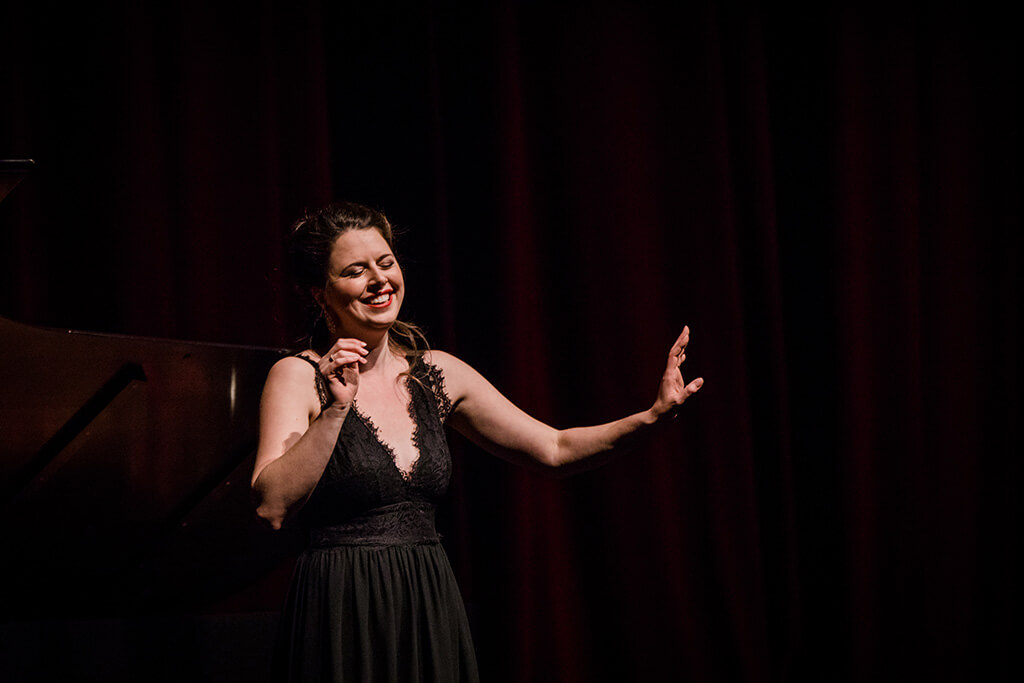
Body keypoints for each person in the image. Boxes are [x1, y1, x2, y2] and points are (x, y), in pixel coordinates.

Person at [251, 201, 704, 682]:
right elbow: (271, 506)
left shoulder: (436, 373)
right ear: (320, 294)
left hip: (427, 599)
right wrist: (337, 410)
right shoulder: (297, 376)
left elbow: (554, 449)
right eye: (355, 271)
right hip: (344, 607)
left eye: (386, 263)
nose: (380, 280)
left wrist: (651, 419)